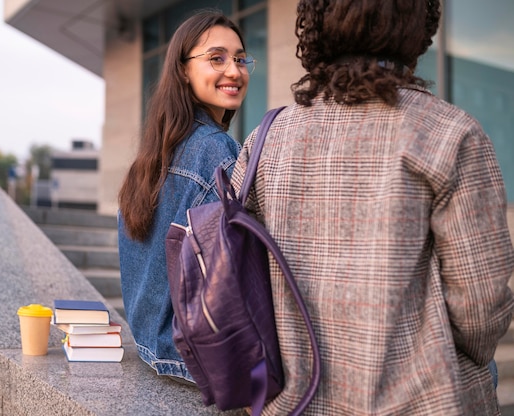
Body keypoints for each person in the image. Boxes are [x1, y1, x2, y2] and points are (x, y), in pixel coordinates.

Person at [231, 0, 514, 414]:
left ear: (315, 24)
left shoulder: (265, 138)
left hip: (291, 401)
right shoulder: (451, 133)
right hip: (416, 401)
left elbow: (242, 271)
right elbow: (480, 305)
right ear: (419, 24)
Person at [117, 10, 253, 383]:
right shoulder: (216, 150)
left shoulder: (153, 154)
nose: (234, 71)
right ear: (182, 70)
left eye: (240, 59)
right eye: (217, 58)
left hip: (150, 347)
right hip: (193, 358)